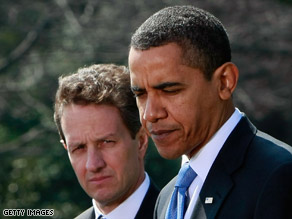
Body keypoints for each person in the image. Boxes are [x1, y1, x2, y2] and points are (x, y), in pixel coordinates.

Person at [128, 5, 292, 219]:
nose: (150, 114)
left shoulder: (279, 176)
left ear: (225, 82)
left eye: (170, 90)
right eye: (140, 94)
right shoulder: (167, 198)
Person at [54, 64, 159, 219]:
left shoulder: (180, 214)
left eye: (106, 142)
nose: (93, 164)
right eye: (79, 148)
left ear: (141, 141)